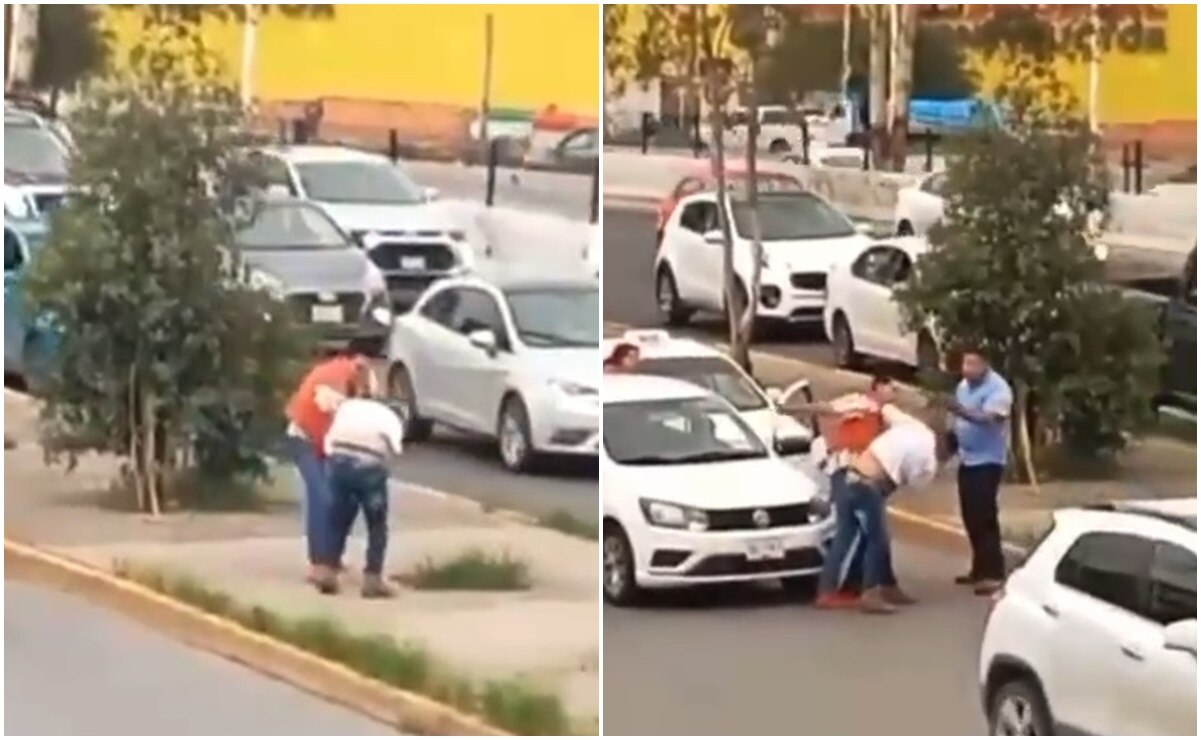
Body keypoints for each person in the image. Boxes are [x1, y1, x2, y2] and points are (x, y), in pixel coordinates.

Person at [784, 376, 915, 608]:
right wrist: (789, 408)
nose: (894, 392)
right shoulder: (861, 403)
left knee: (858, 532)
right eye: (890, 387)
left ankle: (858, 585)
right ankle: (841, 588)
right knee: (859, 533)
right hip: (849, 472)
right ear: (876, 387)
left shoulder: (885, 415)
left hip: (860, 473)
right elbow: (825, 408)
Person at [314, 363, 405, 597]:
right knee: (376, 525)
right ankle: (372, 579)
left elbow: (329, 442)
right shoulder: (385, 414)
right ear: (375, 390)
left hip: (339, 464)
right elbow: (396, 447)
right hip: (369, 467)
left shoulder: (344, 409)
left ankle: (327, 571)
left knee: (337, 520)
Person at [284, 343, 371, 583]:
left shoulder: (354, 376)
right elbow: (325, 422)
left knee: (343, 499)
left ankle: (331, 555)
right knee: (322, 496)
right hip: (305, 440)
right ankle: (318, 563)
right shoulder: (334, 382)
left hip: (326, 444)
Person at [841, 406, 942, 614]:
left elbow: (887, 410)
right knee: (876, 540)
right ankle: (870, 593)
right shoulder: (928, 459)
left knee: (879, 538)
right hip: (867, 484)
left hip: (855, 474)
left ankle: (888, 586)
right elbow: (916, 484)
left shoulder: (914, 426)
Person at [948, 349, 1013, 596]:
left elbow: (989, 419)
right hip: (967, 458)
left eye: (973, 363)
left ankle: (994, 573)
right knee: (969, 515)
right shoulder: (964, 386)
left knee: (984, 515)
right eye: (965, 362)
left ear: (986, 364)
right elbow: (956, 420)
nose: (967, 368)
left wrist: (960, 411)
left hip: (988, 460)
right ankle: (979, 568)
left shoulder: (999, 390)